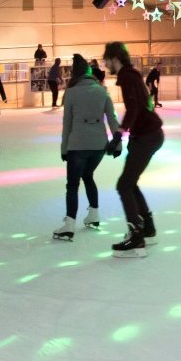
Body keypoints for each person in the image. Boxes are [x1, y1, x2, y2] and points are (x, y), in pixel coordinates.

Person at [103, 42, 165, 257]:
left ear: (115, 58)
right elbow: (139, 107)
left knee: (124, 185)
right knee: (130, 182)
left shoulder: (128, 77)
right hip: (148, 135)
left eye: (106, 59)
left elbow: (134, 108)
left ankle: (137, 237)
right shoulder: (131, 75)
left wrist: (119, 134)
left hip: (147, 136)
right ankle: (147, 228)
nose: (105, 63)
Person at [53, 54, 123, 241]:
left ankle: (69, 225)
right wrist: (117, 144)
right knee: (88, 176)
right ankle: (94, 215)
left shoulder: (72, 92)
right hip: (99, 145)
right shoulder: (101, 91)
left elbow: (67, 123)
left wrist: (64, 148)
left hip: (78, 145)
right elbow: (113, 119)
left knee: (73, 184)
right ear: (89, 72)